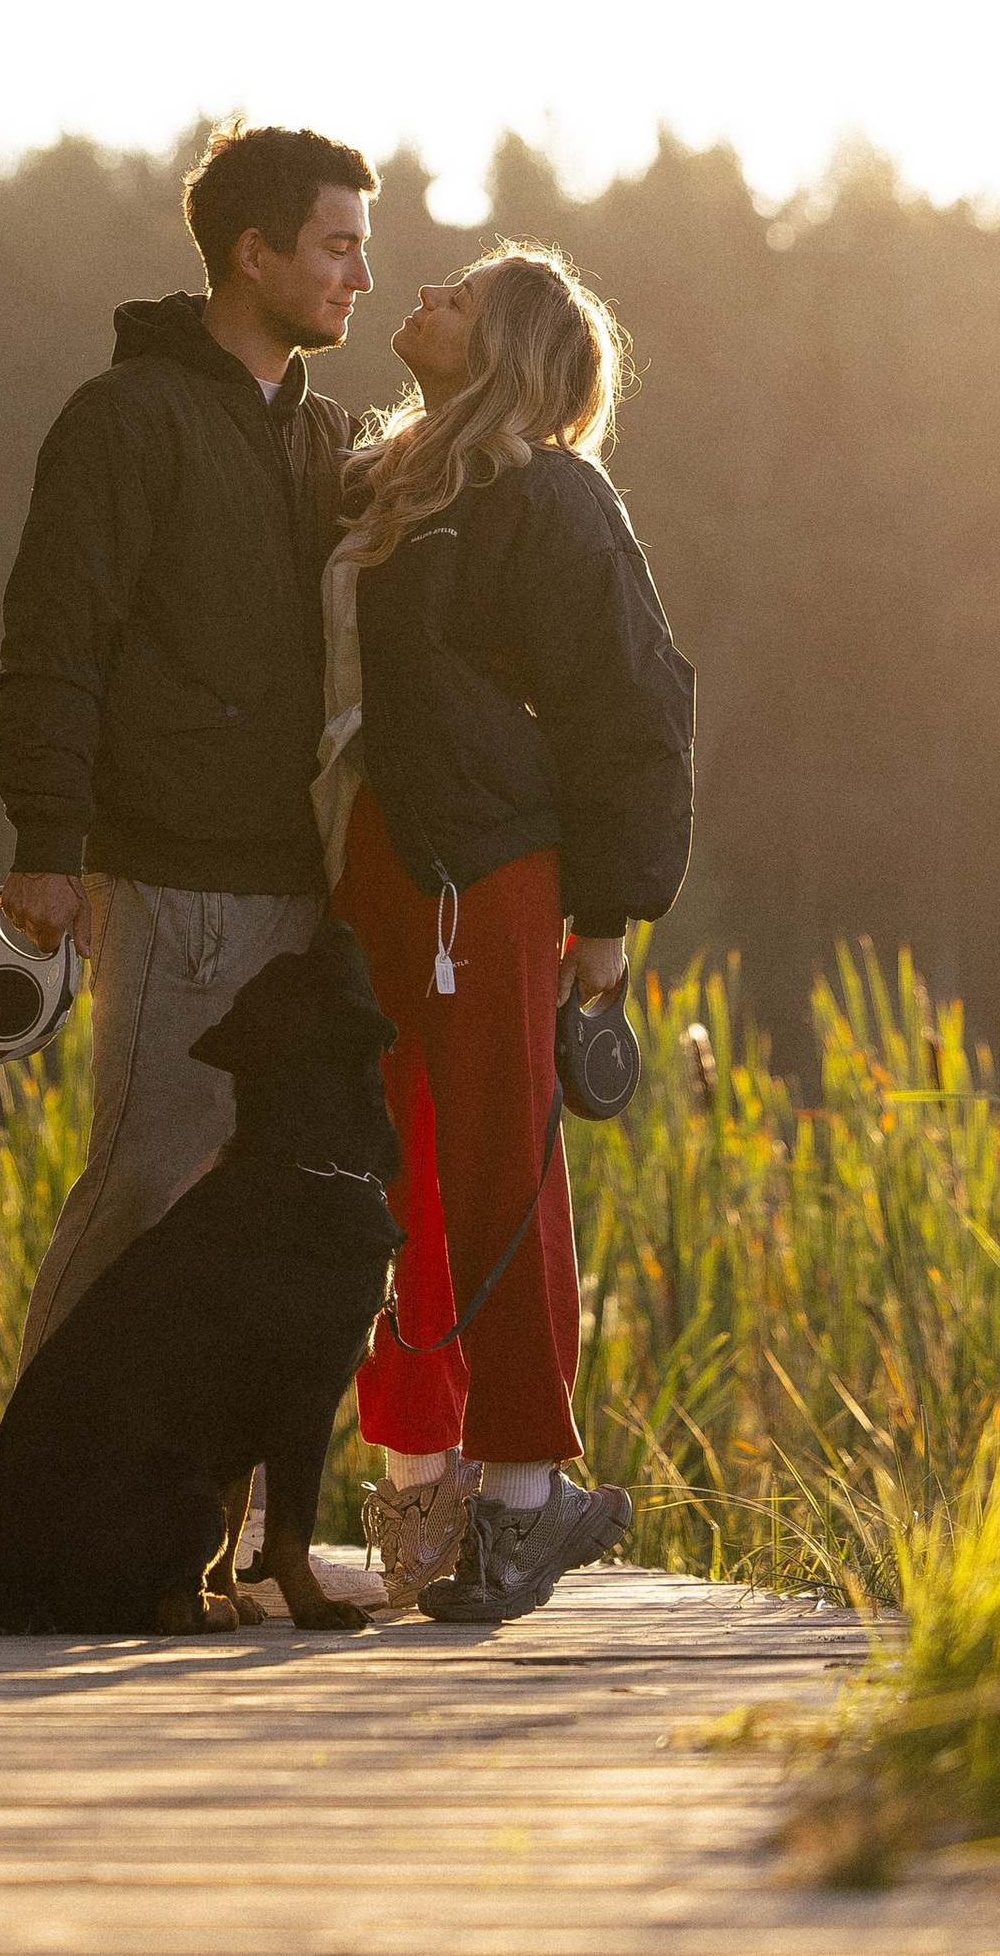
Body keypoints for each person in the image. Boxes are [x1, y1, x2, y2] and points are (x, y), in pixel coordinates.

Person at [318, 245, 694, 1626]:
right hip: (370, 871)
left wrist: (608, 916)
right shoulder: (388, 481)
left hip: (490, 875)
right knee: (381, 1172)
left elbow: (634, 706)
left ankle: (525, 1493)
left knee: (496, 1162)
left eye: (461, 296)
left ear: (511, 351)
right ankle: (420, 1499)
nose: (424, 292)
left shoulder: (553, 495)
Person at [0, 121, 378, 1367]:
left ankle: (205, 1548)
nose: (357, 277)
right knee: (137, 1196)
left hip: (308, 894)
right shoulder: (123, 420)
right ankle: (24, 1534)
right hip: (173, 879)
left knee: (270, 1225)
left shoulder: (336, 446)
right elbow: (55, 642)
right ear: (252, 253)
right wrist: (47, 845)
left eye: (364, 252)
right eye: (334, 247)